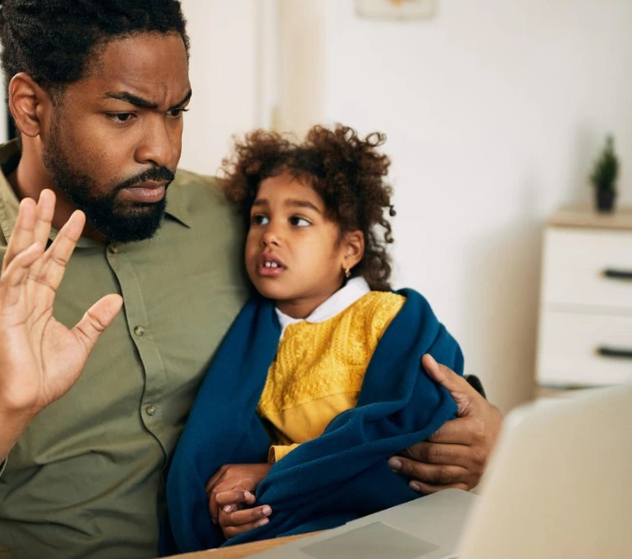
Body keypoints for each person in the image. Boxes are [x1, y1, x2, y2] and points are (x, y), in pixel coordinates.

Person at [0, 0, 503, 558]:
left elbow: (365, 339)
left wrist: (484, 435)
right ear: (31, 106)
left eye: (176, 112)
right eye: (125, 114)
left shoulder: (238, 221)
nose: (161, 148)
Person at [162, 125, 467, 553]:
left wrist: (272, 472)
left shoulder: (387, 318)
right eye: (259, 218)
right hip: (294, 530)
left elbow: (400, 436)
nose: (271, 234)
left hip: (384, 523)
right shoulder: (253, 338)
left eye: (298, 220)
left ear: (350, 249)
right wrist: (241, 506)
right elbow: (227, 447)